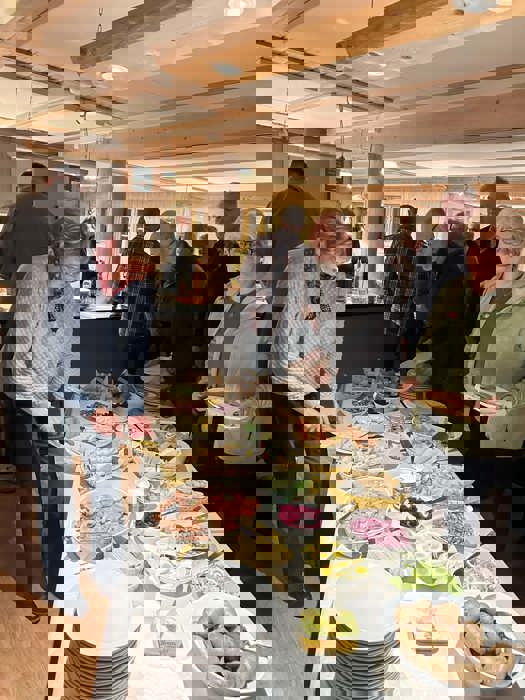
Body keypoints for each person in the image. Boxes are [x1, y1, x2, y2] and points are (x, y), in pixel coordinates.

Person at [0, 172, 85, 601]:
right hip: (23, 395)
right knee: (37, 488)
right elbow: (20, 367)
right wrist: (49, 412)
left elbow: (63, 347)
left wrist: (66, 394)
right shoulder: (35, 279)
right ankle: (41, 582)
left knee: (55, 486)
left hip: (46, 394)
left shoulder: (68, 286)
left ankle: (52, 575)